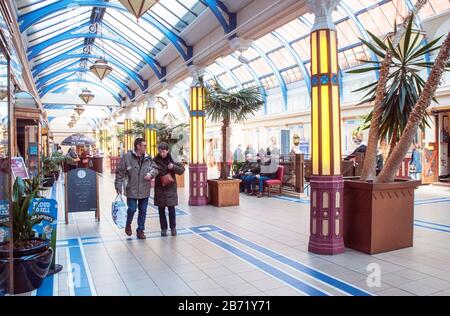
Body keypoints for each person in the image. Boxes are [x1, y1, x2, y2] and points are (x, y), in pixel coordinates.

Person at [115, 138, 157, 239]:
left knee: (143, 210)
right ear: (138, 146)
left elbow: (155, 169)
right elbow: (120, 172)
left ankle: (140, 230)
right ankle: (128, 224)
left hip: (144, 189)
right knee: (132, 209)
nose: (146, 147)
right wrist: (118, 185)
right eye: (144, 145)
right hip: (131, 189)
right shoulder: (127, 157)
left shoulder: (148, 158)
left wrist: (151, 174)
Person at [152, 142, 185, 237]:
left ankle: (173, 228)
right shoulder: (155, 160)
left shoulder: (172, 159)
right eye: (160, 152)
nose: (162, 154)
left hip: (171, 188)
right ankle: (163, 229)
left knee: (172, 209)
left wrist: (173, 166)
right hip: (160, 188)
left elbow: (182, 170)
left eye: (163, 152)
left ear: (167, 150)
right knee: (161, 210)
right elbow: (152, 169)